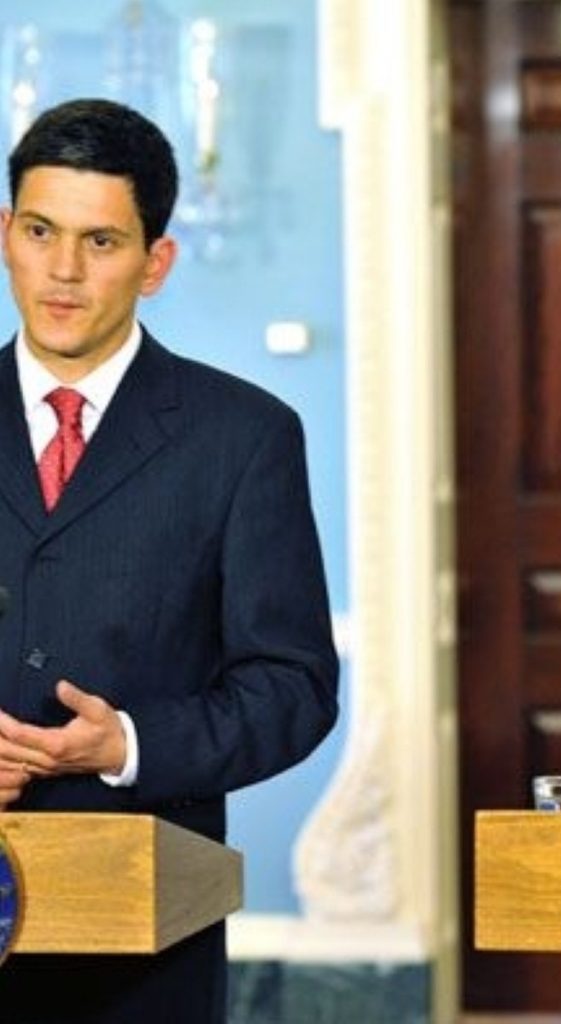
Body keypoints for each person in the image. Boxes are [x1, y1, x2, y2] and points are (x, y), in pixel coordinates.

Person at [0, 98, 339, 1022]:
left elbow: (294, 687)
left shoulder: (244, 438)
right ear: (5, 234)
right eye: (40, 231)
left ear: (156, 263)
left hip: (140, 962)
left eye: (100, 242)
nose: (62, 271)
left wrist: (130, 746)